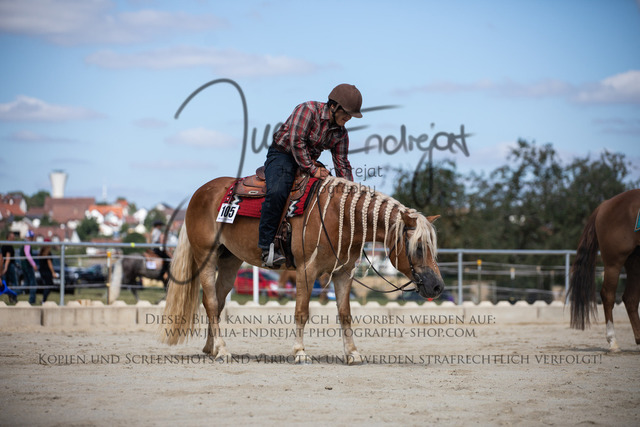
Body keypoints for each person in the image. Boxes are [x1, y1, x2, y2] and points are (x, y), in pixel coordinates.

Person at [258, 83, 363, 267]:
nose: (348, 118)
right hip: (283, 155)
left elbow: (342, 163)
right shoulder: (307, 110)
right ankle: (267, 247)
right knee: (278, 191)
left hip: (308, 160)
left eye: (351, 115)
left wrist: (350, 192)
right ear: (333, 106)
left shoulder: (341, 133)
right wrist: (313, 170)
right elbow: (296, 142)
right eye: (346, 113)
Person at [150, 220, 170, 287]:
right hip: (156, 248)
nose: (161, 227)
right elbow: (156, 241)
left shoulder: (154, 231)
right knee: (167, 258)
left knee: (165, 257)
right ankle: (162, 272)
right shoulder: (157, 232)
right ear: (158, 226)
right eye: (160, 225)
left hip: (154, 247)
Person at [21, 230, 39, 304]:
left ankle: (14, 294)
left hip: (24, 265)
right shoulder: (27, 243)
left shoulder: (23, 242)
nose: (33, 238)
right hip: (28, 266)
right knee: (33, 283)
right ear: (30, 237)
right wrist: (33, 264)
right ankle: (32, 300)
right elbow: (28, 254)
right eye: (32, 237)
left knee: (26, 283)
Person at [1, 232, 20, 301]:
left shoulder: (3, 245)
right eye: (12, 237)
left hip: (4, 265)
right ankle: (13, 296)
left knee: (6, 282)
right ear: (8, 238)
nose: (14, 239)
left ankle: (11, 296)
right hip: (9, 266)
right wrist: (5, 268)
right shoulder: (8, 245)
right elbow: (8, 257)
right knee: (14, 282)